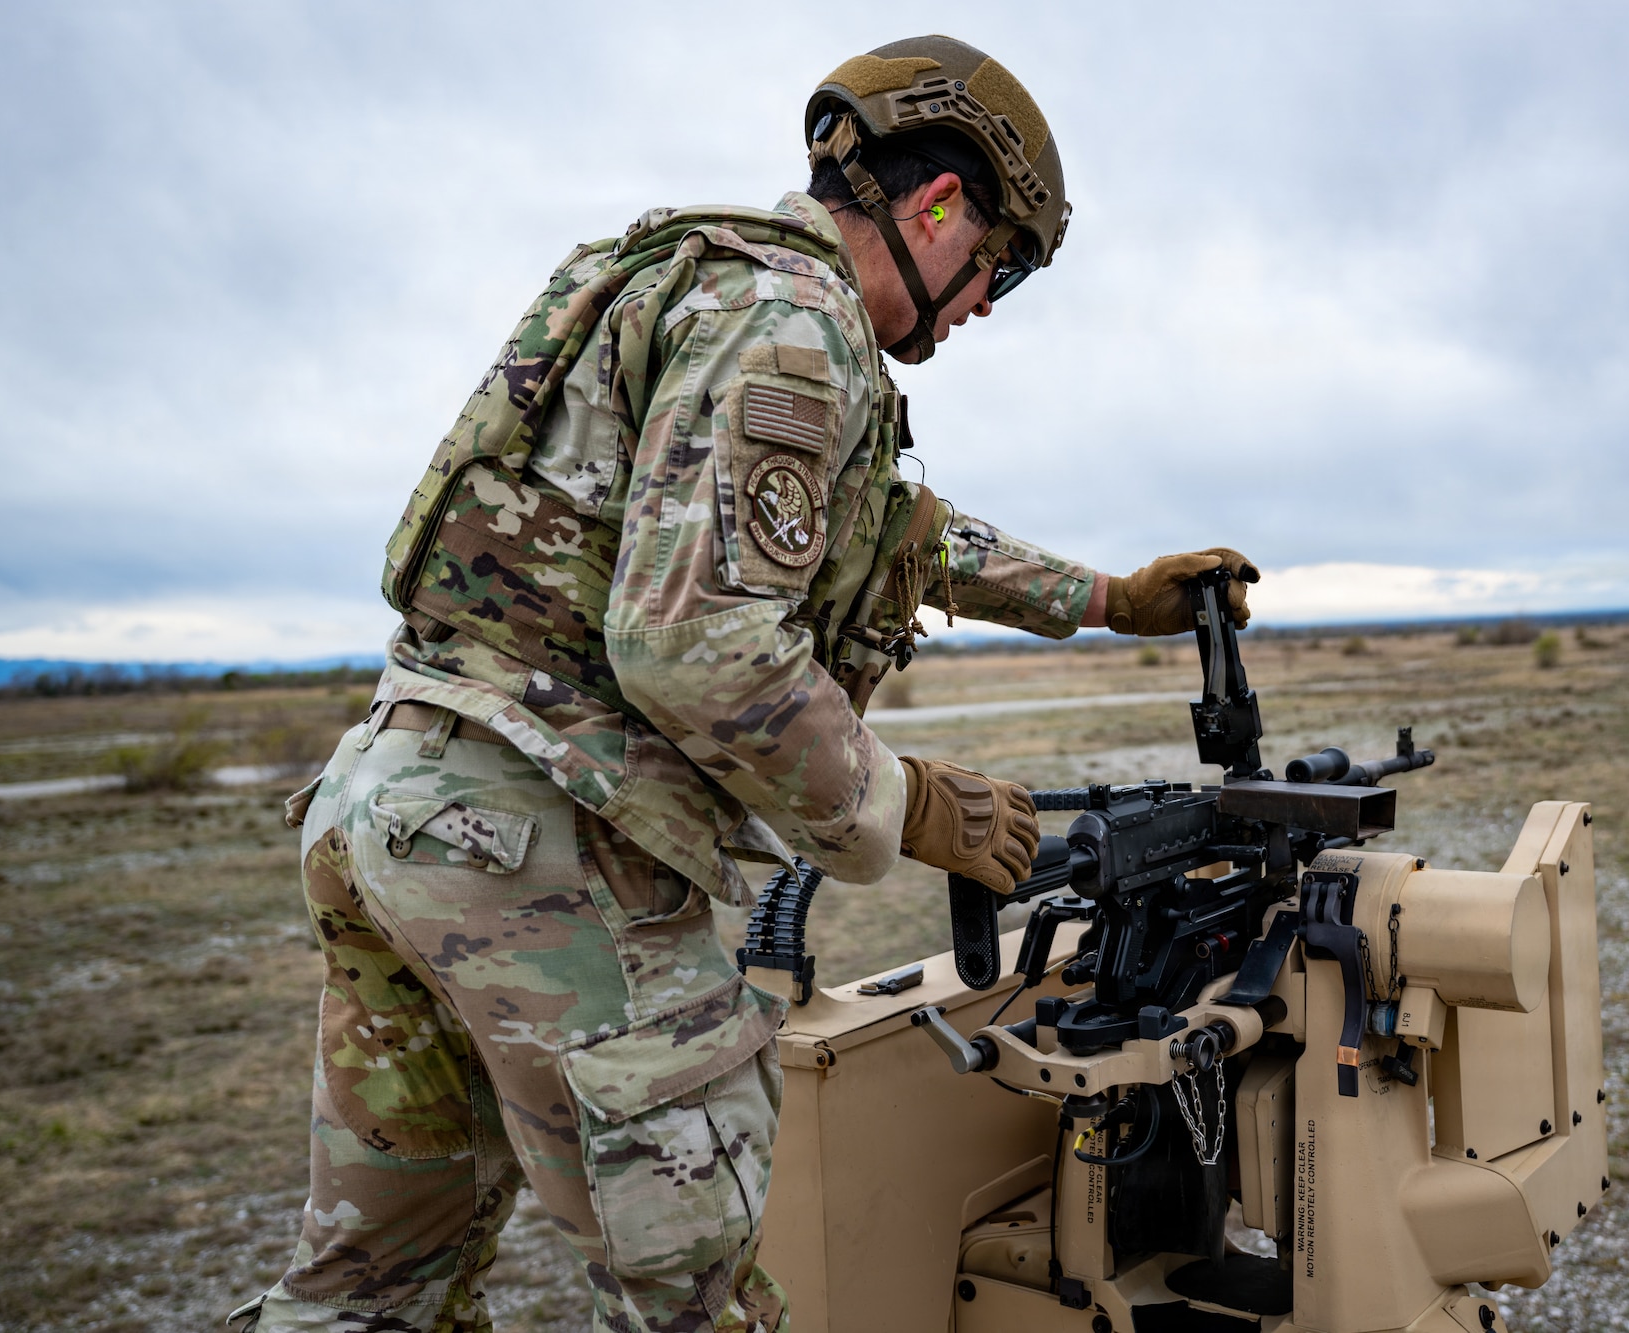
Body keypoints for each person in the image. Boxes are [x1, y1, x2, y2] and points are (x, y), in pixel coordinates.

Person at [235, 35, 1256, 1333]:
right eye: (996, 266)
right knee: (700, 1293)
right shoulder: (798, 325)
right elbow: (698, 645)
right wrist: (912, 804)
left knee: (371, 1288)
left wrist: (1113, 600)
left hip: (391, 802)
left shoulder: (725, 297)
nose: (987, 304)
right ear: (937, 207)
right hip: (526, 843)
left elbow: (908, 534)